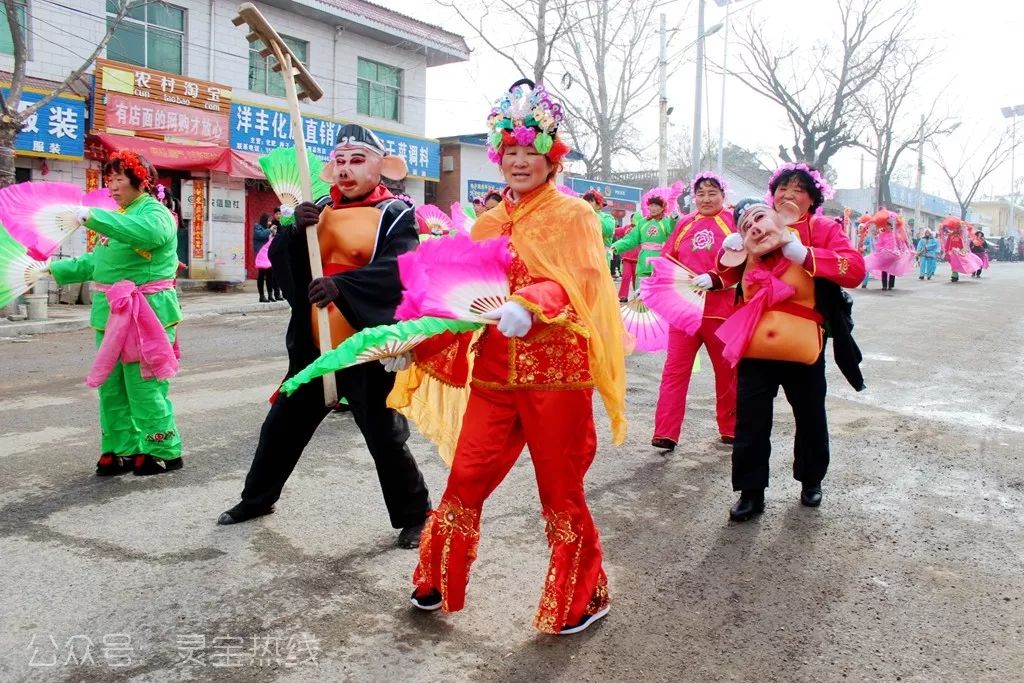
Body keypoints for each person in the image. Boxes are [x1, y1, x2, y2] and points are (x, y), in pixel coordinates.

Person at [397, 79, 627, 635]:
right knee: (466, 475)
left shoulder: (574, 216)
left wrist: (532, 300)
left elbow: (581, 285)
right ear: (500, 157)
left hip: (558, 375)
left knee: (560, 489)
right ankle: (436, 576)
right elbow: (462, 300)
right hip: (496, 372)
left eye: (532, 152)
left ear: (551, 157)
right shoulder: (489, 222)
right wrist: (414, 339)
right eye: (512, 152)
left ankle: (584, 595)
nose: (521, 162)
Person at [217, 124, 431, 550]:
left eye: (358, 160)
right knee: (281, 425)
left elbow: (402, 271)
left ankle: (415, 513)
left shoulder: (398, 215)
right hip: (316, 345)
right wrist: (294, 233)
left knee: (384, 436)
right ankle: (257, 499)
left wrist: (344, 287)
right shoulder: (317, 209)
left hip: (364, 345)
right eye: (341, 161)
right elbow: (286, 265)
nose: (347, 170)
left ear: (381, 168)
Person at [715, 164, 866, 522]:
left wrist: (806, 255)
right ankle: (751, 493)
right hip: (755, 341)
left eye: (798, 189)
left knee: (810, 415)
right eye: (782, 188)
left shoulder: (824, 229)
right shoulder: (755, 225)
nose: (787, 195)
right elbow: (725, 277)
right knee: (751, 419)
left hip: (802, 343)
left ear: (813, 198)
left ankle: (811, 479)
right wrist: (729, 251)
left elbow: (856, 270)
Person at [47, 150, 184, 476]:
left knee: (143, 385)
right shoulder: (118, 218)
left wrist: (91, 215)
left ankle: (162, 448)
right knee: (111, 386)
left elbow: (147, 235)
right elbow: (96, 263)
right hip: (109, 315)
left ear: (142, 180)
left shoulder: (156, 214)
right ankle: (121, 449)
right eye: (109, 180)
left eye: (118, 179)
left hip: (146, 315)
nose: (111, 187)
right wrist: (50, 269)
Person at [651, 171, 738, 450]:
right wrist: (652, 285)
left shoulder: (734, 222)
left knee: (727, 373)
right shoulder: (685, 224)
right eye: (700, 193)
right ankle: (665, 432)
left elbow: (743, 263)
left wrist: (717, 278)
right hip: (684, 311)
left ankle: (731, 428)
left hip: (721, 311)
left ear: (723, 196)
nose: (706, 198)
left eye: (712, 193)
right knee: (674, 372)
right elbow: (668, 259)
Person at [611, 189, 677, 295]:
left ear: (662, 208)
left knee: (658, 294)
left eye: (657, 206)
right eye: (651, 205)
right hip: (643, 260)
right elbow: (631, 239)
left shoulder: (665, 221)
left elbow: (673, 230)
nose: (653, 208)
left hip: (660, 259)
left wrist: (674, 219)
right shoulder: (642, 222)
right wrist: (615, 246)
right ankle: (641, 311)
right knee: (641, 292)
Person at [939, 216, 983, 283]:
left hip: (958, 252)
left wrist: (962, 250)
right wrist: (946, 251)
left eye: (957, 229)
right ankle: (954, 276)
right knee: (953, 264)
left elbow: (961, 244)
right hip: (951, 252)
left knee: (957, 263)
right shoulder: (950, 236)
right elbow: (947, 244)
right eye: (955, 229)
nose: (956, 230)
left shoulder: (960, 237)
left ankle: (955, 276)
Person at [583, 189, 616, 272]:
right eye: (585, 201)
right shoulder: (582, 217)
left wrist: (591, 214)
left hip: (601, 256)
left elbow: (607, 231)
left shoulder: (607, 218)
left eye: (590, 201)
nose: (587, 203)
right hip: (584, 256)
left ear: (598, 205)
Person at [253, 212, 277, 302]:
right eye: (268, 221)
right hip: (261, 255)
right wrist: (270, 230)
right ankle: (261, 296)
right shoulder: (257, 227)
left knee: (270, 275)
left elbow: (272, 241)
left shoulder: (268, 229)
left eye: (270, 221)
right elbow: (260, 235)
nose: (269, 223)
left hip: (268, 255)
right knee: (261, 275)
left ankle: (270, 295)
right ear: (264, 220)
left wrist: (274, 233)